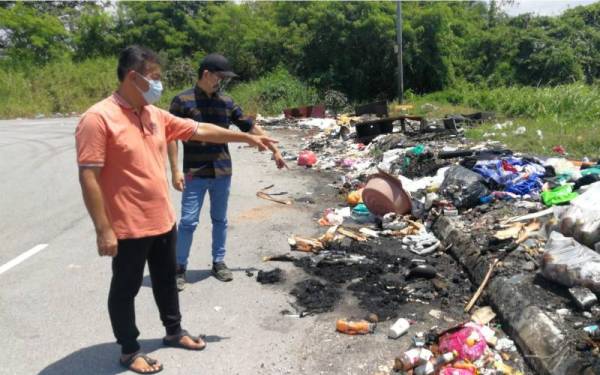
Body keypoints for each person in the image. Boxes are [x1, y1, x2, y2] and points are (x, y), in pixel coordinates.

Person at [76, 45, 277, 374]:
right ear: (133, 77)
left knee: (166, 281)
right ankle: (129, 349)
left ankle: (174, 331)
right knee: (124, 289)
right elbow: (89, 176)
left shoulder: (154, 115)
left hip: (161, 220)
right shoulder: (98, 119)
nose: (159, 84)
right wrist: (103, 229)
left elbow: (201, 130)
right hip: (127, 226)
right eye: (154, 78)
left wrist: (246, 138)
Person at [167, 53, 287, 288]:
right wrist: (175, 170)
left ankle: (219, 262)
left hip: (222, 171)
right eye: (219, 76)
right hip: (194, 171)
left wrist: (274, 149)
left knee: (220, 220)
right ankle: (179, 267)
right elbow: (170, 135)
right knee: (189, 221)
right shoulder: (182, 101)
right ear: (206, 74)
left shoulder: (227, 102)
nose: (221, 81)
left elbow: (250, 127)